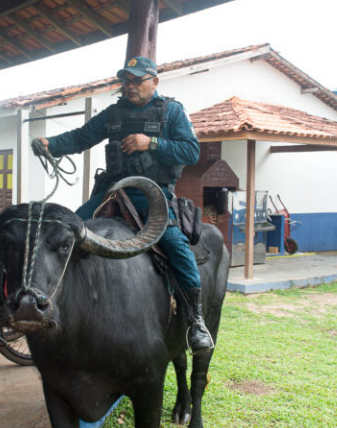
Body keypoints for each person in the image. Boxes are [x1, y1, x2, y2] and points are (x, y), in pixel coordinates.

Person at [35, 56, 214, 355]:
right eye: (126, 81)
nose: (130, 86)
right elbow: (81, 137)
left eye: (137, 80)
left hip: (153, 195)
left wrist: (151, 143)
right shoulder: (113, 114)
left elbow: (191, 151)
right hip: (112, 192)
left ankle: (195, 321)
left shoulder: (172, 112)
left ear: (154, 82)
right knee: (65, 232)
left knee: (174, 245)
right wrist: (50, 144)